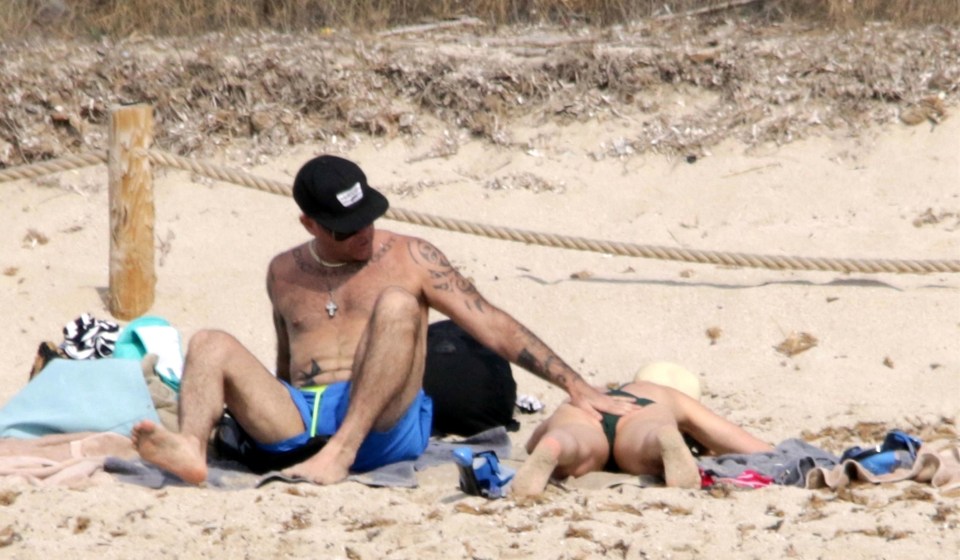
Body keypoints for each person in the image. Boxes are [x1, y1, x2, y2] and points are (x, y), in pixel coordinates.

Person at [131, 154, 637, 485]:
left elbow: (493, 325)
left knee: (396, 303)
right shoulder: (283, 271)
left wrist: (575, 384)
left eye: (367, 218)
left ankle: (343, 452)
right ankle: (192, 450)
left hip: (382, 422)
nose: (363, 234)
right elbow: (285, 365)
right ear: (309, 223)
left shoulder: (411, 257)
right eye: (346, 229)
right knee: (209, 341)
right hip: (300, 418)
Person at [511, 378, 774, 497]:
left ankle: (558, 446)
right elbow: (745, 445)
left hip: (582, 406)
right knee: (646, 436)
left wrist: (541, 441)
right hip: (641, 412)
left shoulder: (596, 389)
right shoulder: (664, 394)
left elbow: (535, 437)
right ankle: (661, 438)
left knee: (574, 437)